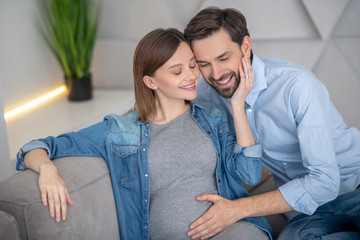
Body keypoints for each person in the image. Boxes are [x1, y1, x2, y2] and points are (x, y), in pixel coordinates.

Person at [16, 28, 274, 239]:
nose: (192, 76)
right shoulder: (120, 131)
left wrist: (237, 105)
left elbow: (248, 174)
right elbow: (37, 146)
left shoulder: (212, 116)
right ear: (150, 81)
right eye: (177, 71)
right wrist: (48, 170)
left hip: (229, 231)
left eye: (193, 65)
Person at [184, 6, 360, 240]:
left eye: (223, 58)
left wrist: (238, 208)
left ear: (245, 47)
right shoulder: (209, 94)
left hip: (353, 185)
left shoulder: (295, 85)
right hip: (309, 209)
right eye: (203, 63)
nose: (216, 73)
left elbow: (325, 182)